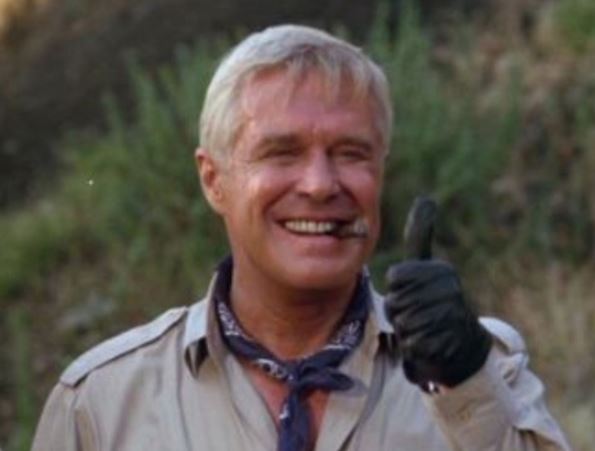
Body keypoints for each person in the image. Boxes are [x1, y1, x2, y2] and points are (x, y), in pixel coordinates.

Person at [32, 24, 570, 451]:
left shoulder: (483, 367)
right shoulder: (102, 403)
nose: (319, 184)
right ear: (213, 180)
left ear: (381, 173)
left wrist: (466, 386)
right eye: (282, 153)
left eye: (351, 153)